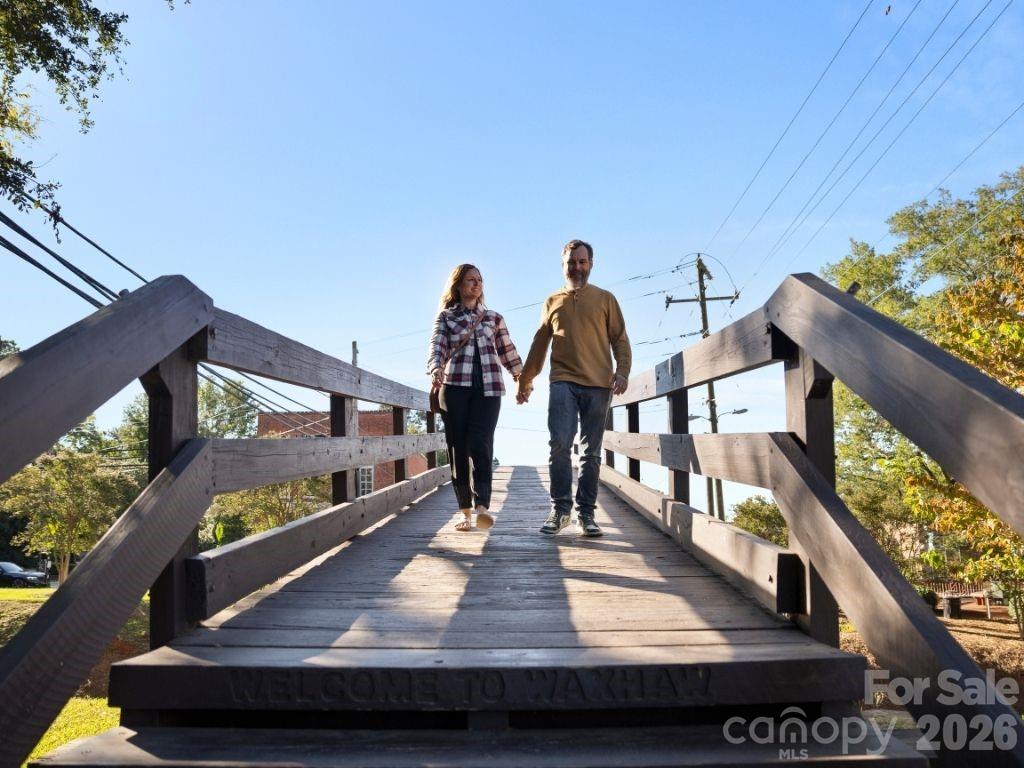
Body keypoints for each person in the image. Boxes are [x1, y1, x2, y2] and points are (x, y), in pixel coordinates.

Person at [516, 239, 631, 537]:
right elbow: (539, 344)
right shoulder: (553, 301)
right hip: (563, 382)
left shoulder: (605, 299)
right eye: (571, 262)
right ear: (563, 264)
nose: (576, 267)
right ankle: (560, 510)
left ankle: (586, 514)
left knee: (591, 453)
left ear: (591, 264)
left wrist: (623, 371)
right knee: (560, 446)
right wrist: (525, 379)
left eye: (581, 262)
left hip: (598, 384)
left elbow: (619, 339)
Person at [428, 264, 523, 532]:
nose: (476, 284)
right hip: (455, 387)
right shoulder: (446, 317)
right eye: (470, 280)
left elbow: (508, 352)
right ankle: (465, 511)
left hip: (489, 390)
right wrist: (436, 368)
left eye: (480, 280)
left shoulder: (493, 318)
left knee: (481, 444)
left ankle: (482, 507)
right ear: (458, 285)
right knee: (458, 448)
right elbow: (436, 346)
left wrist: (522, 379)